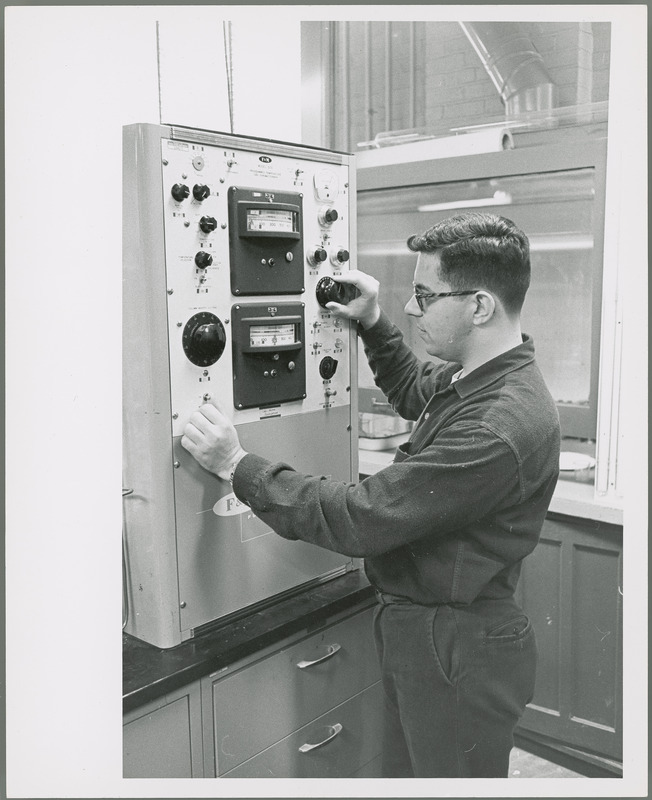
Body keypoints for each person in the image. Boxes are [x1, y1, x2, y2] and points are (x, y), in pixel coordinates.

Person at [181, 212, 561, 778]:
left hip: (455, 645)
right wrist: (372, 321)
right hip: (434, 631)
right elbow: (414, 389)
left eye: (425, 296)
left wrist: (238, 465)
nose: (411, 309)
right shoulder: (484, 376)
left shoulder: (499, 423)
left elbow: (363, 518)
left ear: (480, 306)